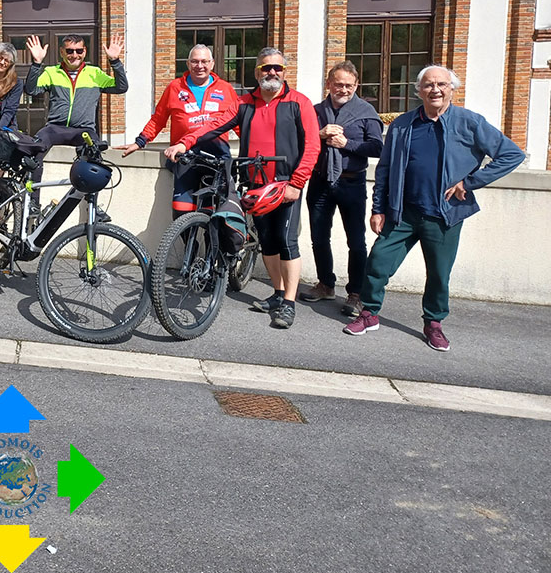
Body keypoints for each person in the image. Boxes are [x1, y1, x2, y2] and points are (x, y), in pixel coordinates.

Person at [343, 66, 523, 351]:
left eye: (441, 84)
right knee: (377, 262)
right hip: (402, 211)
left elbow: (512, 154)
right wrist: (378, 208)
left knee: (439, 273)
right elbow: (386, 170)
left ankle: (434, 323)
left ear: (452, 88)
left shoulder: (470, 122)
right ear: (419, 90)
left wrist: (471, 182)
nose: (435, 90)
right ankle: (369, 313)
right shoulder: (403, 124)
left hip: (444, 215)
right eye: (428, 85)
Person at [185, 48, 320, 329]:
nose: (272, 73)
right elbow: (214, 124)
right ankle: (278, 293)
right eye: (266, 68)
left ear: (284, 72)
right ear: (257, 71)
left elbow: (312, 146)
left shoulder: (299, 102)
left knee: (287, 242)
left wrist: (297, 183)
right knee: (267, 242)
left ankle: (289, 304)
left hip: (286, 186)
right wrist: (185, 143)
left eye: (277, 68)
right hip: (255, 185)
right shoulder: (245, 103)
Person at [298, 61, 384, 315]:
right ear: (328, 84)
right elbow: (299, 141)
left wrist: (346, 143)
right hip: (320, 180)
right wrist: (319, 134)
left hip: (351, 181)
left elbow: (378, 148)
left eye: (348, 85)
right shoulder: (315, 112)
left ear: (356, 85)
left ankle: (356, 293)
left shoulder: (366, 112)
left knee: (356, 241)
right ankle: (326, 284)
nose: (343, 89)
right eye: (338, 84)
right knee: (318, 237)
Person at [118, 43, 239, 217]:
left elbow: (239, 122)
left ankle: (213, 244)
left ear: (212, 64)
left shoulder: (226, 89)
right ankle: (190, 245)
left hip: (217, 158)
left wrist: (256, 145)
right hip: (185, 158)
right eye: (195, 61)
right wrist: (140, 142)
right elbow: (158, 119)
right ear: (188, 64)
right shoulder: (175, 87)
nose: (200, 66)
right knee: (181, 209)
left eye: (204, 61)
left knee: (214, 212)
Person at [23, 33, 127, 211]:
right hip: (56, 128)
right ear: (62, 52)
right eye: (70, 51)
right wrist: (37, 63)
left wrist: (115, 61)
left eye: (79, 50)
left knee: (93, 153)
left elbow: (121, 86)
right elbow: (31, 89)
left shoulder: (95, 73)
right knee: (36, 148)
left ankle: (93, 205)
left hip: (83, 130)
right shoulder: (51, 72)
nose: (74, 55)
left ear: (84, 51)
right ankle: (32, 203)